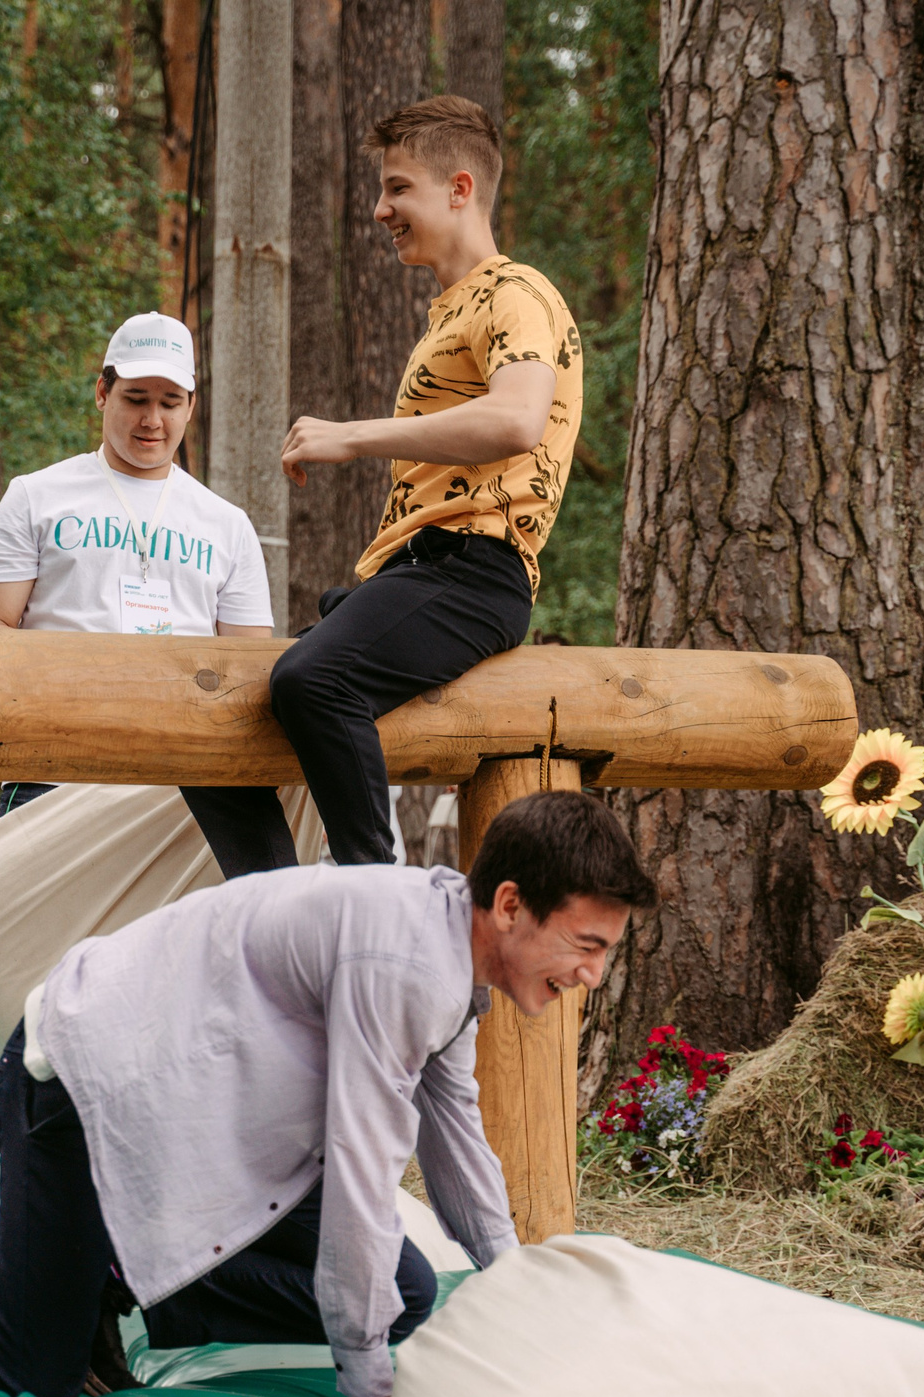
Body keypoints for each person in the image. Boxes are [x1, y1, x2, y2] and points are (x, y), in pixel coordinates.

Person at [0, 790, 656, 1397]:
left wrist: (514, 1287)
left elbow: (455, 1144)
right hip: (83, 1086)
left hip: (185, 1126)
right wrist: (368, 1382)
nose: (590, 975)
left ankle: (119, 1280)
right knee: (26, 1376)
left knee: (408, 1289)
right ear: (507, 903)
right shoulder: (405, 962)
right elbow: (364, 1171)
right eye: (585, 944)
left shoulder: (453, 956)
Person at [0, 312, 297, 1163]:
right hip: (55, 779)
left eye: (171, 402)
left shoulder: (225, 524)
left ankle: (125, 1187)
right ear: (101, 393)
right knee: (28, 990)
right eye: (135, 398)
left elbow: (249, 673)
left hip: (177, 803)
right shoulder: (38, 495)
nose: (152, 420)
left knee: (152, 999)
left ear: (192, 407)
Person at [273, 96, 583, 865]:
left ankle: (385, 909)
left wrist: (351, 437)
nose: (381, 209)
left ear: (460, 187)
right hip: (417, 572)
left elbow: (517, 420)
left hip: (473, 570)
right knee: (240, 717)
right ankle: (275, 906)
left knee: (310, 681)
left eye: (397, 187)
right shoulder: (453, 309)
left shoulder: (516, 292)